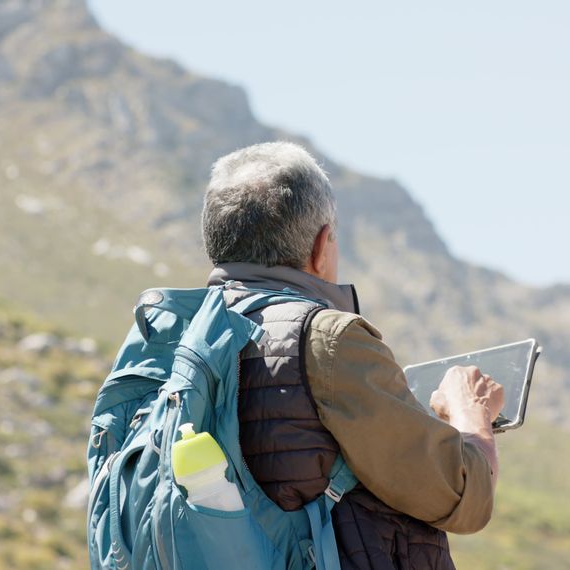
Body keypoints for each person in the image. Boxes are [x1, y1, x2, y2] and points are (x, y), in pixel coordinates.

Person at [201, 141, 504, 570]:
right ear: (322, 245)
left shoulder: (171, 337)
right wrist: (472, 415)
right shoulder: (328, 338)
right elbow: (465, 495)